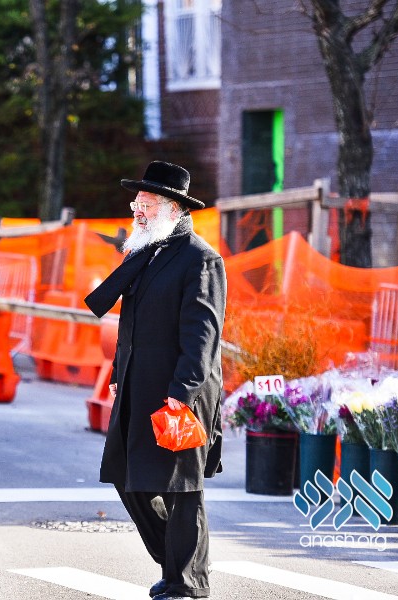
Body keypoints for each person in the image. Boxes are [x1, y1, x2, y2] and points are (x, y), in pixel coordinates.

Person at [84, 161, 227, 600]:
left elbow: (202, 338)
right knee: (129, 480)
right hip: (134, 387)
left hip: (179, 393)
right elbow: (130, 326)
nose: (138, 211)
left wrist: (180, 396)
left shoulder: (201, 259)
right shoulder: (144, 252)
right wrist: (115, 374)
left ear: (173, 207)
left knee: (182, 491)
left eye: (146, 204)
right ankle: (175, 565)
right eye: (136, 203)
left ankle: (187, 583)